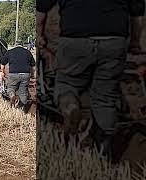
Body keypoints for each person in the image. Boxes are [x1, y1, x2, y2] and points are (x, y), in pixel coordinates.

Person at [36, 0, 145, 159]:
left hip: (75, 39)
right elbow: (137, 12)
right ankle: (104, 150)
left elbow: (41, 8)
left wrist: (39, 35)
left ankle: (71, 107)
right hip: (114, 39)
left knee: (67, 83)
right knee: (105, 97)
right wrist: (135, 42)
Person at [0, 42, 36, 112]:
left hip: (14, 74)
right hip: (26, 74)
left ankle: (12, 96)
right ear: (22, 45)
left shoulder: (10, 52)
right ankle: (21, 110)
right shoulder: (28, 52)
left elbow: (3, 63)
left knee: (10, 88)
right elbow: (33, 66)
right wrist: (32, 75)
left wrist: (2, 71)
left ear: (15, 45)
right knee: (23, 92)